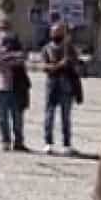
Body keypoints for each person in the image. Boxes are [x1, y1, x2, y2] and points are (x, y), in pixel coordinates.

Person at [0, 20, 30, 152]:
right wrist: (12, 57)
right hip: (1, 85)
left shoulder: (18, 44)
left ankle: (19, 142)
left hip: (17, 85)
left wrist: (9, 57)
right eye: (2, 28)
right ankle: (5, 141)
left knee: (17, 116)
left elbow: (22, 59)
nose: (5, 31)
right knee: (3, 116)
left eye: (7, 28)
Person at [41, 23, 81, 156]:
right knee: (49, 114)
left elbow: (73, 63)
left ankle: (66, 144)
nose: (57, 35)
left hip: (66, 86)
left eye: (60, 32)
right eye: (55, 32)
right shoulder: (46, 48)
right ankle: (48, 143)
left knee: (66, 116)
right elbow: (44, 66)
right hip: (52, 85)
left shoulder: (69, 48)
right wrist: (58, 65)